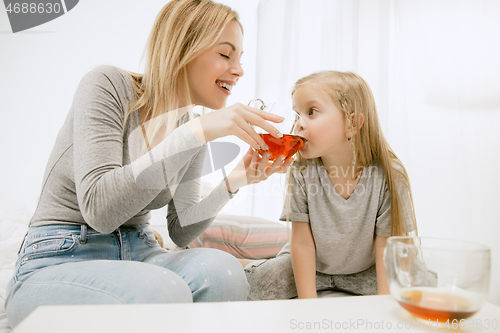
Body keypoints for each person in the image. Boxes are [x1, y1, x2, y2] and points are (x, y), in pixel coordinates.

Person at [5, 0, 293, 327]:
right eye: (225, 55)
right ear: (182, 48)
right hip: (59, 255)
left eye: (240, 59)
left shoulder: (191, 126)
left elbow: (180, 231)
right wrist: (194, 133)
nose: (239, 70)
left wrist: (236, 180)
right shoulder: (108, 86)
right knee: (162, 290)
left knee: (225, 274)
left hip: (138, 252)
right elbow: (100, 211)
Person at [244, 70, 417, 300]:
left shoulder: (389, 175)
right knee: (257, 283)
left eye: (311, 112)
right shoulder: (301, 170)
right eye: (297, 115)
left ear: (352, 123)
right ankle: (243, 261)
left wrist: (383, 307)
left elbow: (386, 248)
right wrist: (309, 303)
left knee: (420, 280)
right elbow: (303, 244)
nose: (298, 125)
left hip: (364, 271)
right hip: (311, 267)